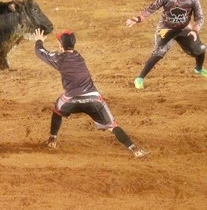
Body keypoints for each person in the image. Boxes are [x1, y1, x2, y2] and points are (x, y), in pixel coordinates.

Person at [33, 28, 149, 158]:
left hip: (71, 101)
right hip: (93, 99)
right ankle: (135, 150)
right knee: (113, 126)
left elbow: (40, 52)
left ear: (61, 45)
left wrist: (38, 41)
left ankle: (52, 140)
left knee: (58, 110)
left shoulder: (59, 59)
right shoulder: (79, 57)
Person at [126, 0, 206, 89]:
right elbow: (152, 8)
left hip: (184, 29)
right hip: (166, 29)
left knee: (200, 49)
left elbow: (200, 18)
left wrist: (194, 30)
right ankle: (140, 78)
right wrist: (138, 19)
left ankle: (198, 69)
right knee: (159, 52)